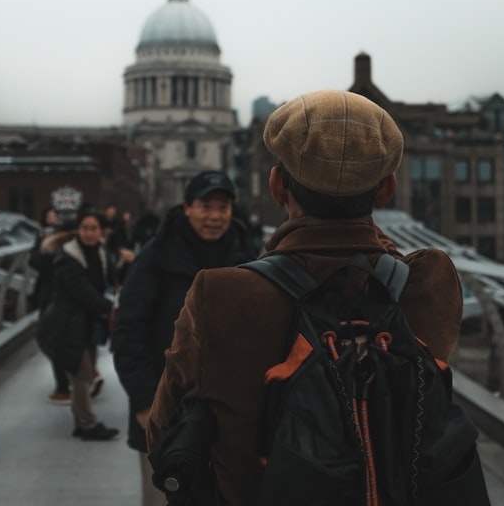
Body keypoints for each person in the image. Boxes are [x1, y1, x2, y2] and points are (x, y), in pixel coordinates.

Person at [146, 90, 465, 505]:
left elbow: (161, 431)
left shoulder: (221, 293)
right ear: (386, 190)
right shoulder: (429, 281)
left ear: (277, 187)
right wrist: (359, 216)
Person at [113, 170, 258, 506]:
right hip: (165, 404)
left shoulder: (248, 255)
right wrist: (145, 401)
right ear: (187, 207)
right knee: (163, 496)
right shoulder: (156, 256)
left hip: (229, 408)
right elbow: (128, 331)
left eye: (223, 207)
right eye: (206, 206)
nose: (214, 216)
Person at [35, 209, 121, 441]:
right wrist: (112, 308)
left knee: (85, 372)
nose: (88, 233)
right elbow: (84, 294)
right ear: (78, 231)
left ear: (100, 232)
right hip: (66, 325)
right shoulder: (67, 259)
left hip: (87, 325)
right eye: (84, 228)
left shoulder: (100, 253)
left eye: (93, 228)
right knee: (82, 375)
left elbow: (113, 275)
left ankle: (79, 423)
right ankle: (89, 425)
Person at [28, 206, 71, 404]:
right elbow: (34, 260)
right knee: (52, 338)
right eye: (49, 215)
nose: (52, 218)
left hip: (58, 295)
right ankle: (69, 381)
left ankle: (66, 384)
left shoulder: (64, 240)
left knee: (55, 338)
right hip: (51, 295)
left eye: (54, 215)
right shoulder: (43, 238)